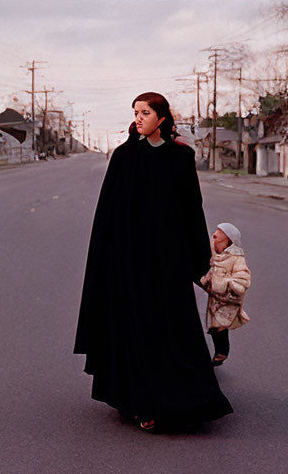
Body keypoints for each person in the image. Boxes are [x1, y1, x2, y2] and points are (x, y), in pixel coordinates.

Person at [75, 92, 233, 433]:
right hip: (130, 262)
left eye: (145, 112)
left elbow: (193, 211)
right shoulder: (124, 157)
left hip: (169, 262)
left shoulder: (181, 157)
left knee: (173, 327)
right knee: (135, 327)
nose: (139, 118)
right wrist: (108, 260)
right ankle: (139, 403)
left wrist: (201, 263)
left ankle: (184, 399)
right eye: (135, 112)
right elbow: (109, 216)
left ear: (162, 117)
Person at [200, 222, 251, 367]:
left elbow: (243, 280)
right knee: (211, 325)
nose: (215, 235)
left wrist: (225, 284)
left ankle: (222, 352)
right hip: (212, 297)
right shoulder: (215, 254)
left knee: (220, 325)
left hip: (227, 300)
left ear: (228, 239)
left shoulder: (236, 258)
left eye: (219, 233)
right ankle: (215, 351)